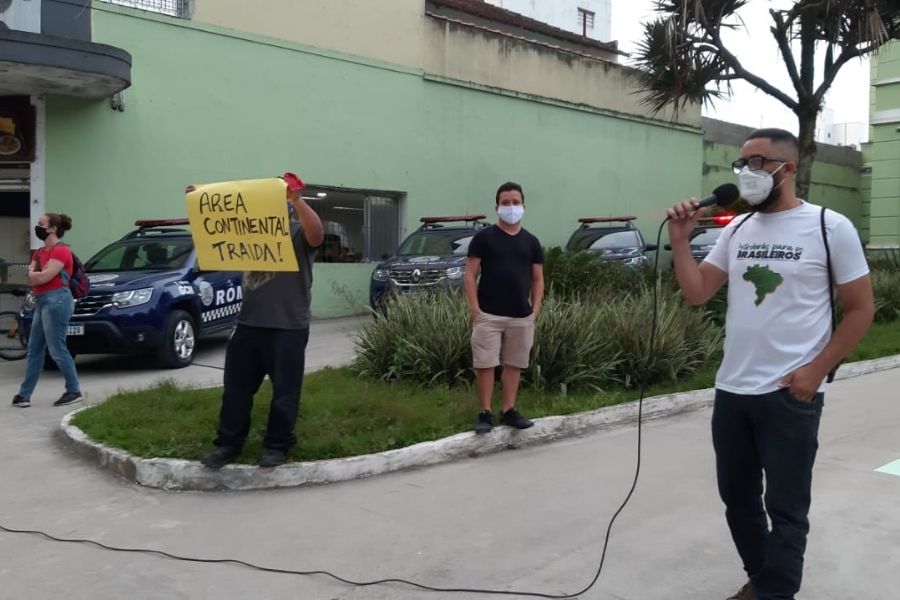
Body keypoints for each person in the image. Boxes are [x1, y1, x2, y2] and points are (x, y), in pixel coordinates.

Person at [666, 129, 874, 600]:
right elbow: (697, 293)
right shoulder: (737, 229)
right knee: (737, 501)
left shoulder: (829, 227)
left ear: (788, 169)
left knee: (785, 507)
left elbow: (862, 309)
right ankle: (763, 579)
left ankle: (775, 592)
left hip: (790, 393)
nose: (746, 173)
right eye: (741, 164)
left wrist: (816, 372)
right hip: (733, 391)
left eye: (758, 163)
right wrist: (681, 240)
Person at [200, 173, 324, 469]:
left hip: (288, 326)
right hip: (248, 325)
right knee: (236, 389)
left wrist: (297, 199)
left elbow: (317, 234)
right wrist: (200, 201)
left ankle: (278, 444)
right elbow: (212, 231)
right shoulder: (246, 232)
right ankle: (228, 444)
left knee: (285, 391)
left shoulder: (296, 232)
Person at [464, 181, 544, 434]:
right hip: (488, 314)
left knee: (514, 364)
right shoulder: (483, 238)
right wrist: (475, 310)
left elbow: (538, 278)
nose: (511, 207)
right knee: (485, 364)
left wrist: (536, 309)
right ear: (497, 206)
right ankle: (485, 413)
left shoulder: (531, 242)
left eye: (516, 202)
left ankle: (509, 410)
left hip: (521, 316)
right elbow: (469, 274)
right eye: (506, 203)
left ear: (523, 205)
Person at [12, 213, 82, 408]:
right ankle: (24, 395)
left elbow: (42, 277)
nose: (38, 227)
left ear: (52, 229)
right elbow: (31, 277)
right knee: (34, 349)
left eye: (41, 224)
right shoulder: (40, 252)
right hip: (42, 300)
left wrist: (34, 274)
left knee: (57, 349)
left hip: (58, 300)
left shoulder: (61, 251)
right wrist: (35, 274)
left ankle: (74, 390)